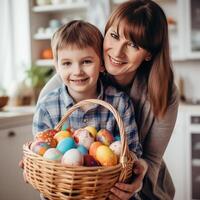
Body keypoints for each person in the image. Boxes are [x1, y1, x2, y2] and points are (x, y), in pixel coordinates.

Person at [38, 0, 179, 199]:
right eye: (114, 36)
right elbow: (44, 146)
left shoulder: (164, 92)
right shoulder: (66, 84)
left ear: (149, 54)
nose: (117, 52)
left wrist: (136, 179)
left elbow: (151, 158)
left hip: (140, 189)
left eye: (133, 44)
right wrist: (37, 160)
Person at [32, 19, 142, 199]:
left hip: (110, 192)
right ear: (56, 65)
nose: (77, 71)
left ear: (101, 63)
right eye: (67, 63)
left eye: (86, 61)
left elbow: (133, 153)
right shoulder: (47, 107)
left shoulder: (120, 103)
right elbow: (42, 153)